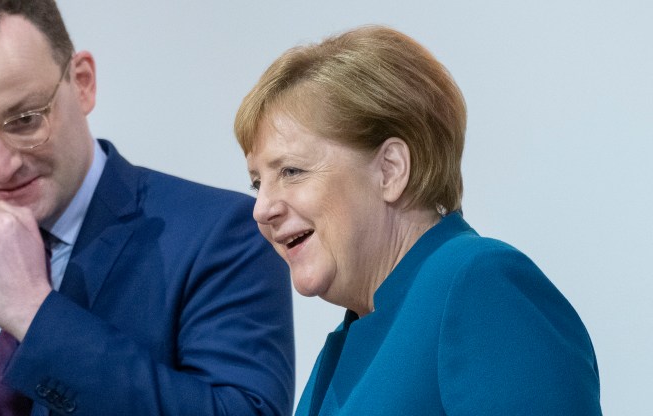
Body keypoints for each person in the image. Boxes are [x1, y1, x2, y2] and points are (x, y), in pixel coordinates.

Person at [0, 1, 294, 415]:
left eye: (25, 120)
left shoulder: (220, 236)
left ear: (82, 81)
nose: (1, 165)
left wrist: (32, 312)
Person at [234, 25, 601, 415]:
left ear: (390, 170)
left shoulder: (479, 284)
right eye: (259, 184)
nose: (262, 209)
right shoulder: (345, 348)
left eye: (291, 171)